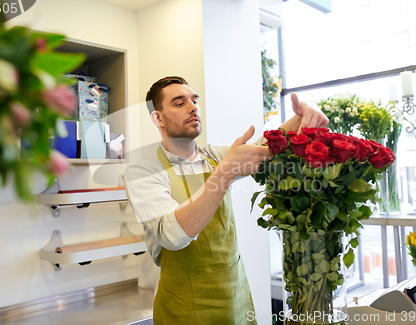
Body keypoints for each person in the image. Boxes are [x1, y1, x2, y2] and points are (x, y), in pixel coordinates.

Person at [124, 76, 328, 325]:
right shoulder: (143, 172)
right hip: (184, 306)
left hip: (235, 295)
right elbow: (173, 234)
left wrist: (304, 115)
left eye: (194, 100)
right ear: (158, 118)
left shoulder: (213, 157)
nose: (193, 107)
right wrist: (226, 171)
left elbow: (266, 146)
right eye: (179, 103)